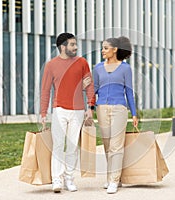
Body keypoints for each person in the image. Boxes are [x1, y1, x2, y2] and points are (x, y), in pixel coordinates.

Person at [40, 33, 95, 193]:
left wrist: (90, 108)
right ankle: (56, 179)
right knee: (58, 145)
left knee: (72, 146)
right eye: (72, 44)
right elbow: (45, 90)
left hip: (77, 111)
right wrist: (43, 112)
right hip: (59, 110)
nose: (76, 47)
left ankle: (69, 178)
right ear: (63, 47)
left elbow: (89, 86)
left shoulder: (82, 63)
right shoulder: (51, 65)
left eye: (75, 44)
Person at [93, 36, 138, 194]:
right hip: (102, 109)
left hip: (119, 108)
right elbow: (95, 89)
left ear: (115, 49)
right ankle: (111, 177)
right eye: (102, 48)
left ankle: (114, 180)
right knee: (107, 145)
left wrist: (134, 113)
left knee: (116, 146)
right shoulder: (98, 68)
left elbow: (129, 92)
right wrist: (88, 106)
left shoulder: (125, 68)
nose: (102, 51)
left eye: (105, 48)